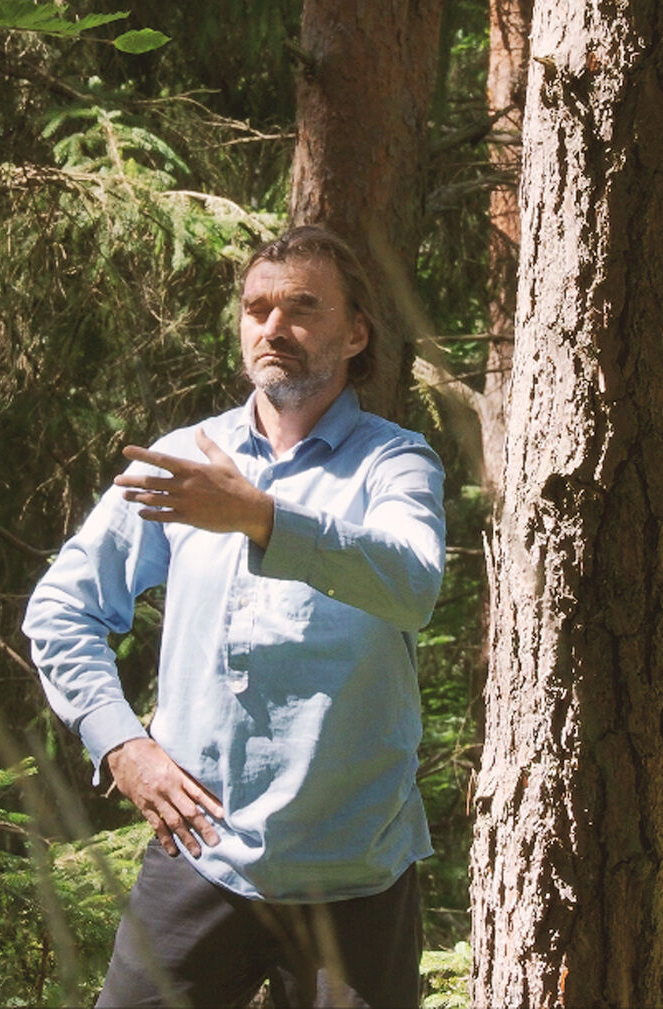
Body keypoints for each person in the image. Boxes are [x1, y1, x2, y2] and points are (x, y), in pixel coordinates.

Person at [23, 225, 446, 1008]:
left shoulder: (394, 461)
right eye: (256, 309)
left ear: (357, 333)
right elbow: (61, 607)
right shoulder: (186, 459)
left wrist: (262, 518)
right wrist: (121, 743)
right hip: (199, 855)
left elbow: (412, 583)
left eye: (302, 307)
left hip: (353, 871)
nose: (273, 327)